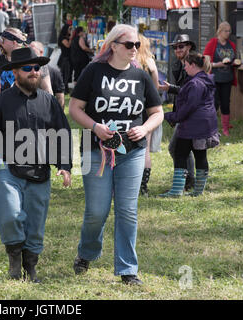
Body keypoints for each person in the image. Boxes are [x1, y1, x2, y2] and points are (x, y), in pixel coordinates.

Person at [68, 24, 163, 285]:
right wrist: (95, 127)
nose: (134, 49)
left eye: (137, 45)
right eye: (129, 45)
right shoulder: (93, 71)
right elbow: (74, 108)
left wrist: (144, 128)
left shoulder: (141, 76)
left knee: (127, 210)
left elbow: (158, 112)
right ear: (113, 45)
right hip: (95, 150)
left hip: (131, 153)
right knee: (97, 211)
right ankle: (86, 253)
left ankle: (127, 269)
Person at [0, 47, 72, 282]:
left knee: (36, 224)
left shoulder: (49, 101)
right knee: (9, 215)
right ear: (16, 72)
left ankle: (30, 267)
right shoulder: (1, 101)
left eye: (36, 68)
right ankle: (14, 261)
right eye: (27, 68)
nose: (33, 72)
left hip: (41, 170)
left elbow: (62, 133)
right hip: (9, 168)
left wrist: (65, 165)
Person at [160, 51, 218, 197]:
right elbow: (189, 95)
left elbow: (188, 107)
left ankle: (176, 191)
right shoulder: (205, 79)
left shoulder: (195, 83)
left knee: (180, 153)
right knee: (200, 155)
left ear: (193, 65)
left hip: (193, 126)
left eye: (186, 65)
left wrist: (167, 116)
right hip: (205, 125)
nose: (184, 68)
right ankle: (198, 191)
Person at [159, 34, 196, 191]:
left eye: (181, 46)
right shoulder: (178, 65)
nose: (178, 50)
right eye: (175, 47)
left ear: (189, 46)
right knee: (184, 149)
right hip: (183, 113)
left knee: (176, 148)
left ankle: (186, 183)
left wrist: (171, 88)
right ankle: (189, 182)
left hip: (192, 113)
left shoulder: (193, 64)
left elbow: (192, 91)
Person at [0, 28, 53, 102]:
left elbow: (48, 90)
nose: (16, 42)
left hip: (28, 106)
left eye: (19, 40)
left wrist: (50, 107)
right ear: (2, 42)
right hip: (3, 107)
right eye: (13, 39)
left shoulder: (34, 60)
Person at [136, 33, 161, 196]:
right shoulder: (149, 62)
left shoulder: (129, 62)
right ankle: (143, 186)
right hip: (148, 108)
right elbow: (156, 87)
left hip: (131, 107)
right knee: (144, 148)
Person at [203, 21, 238, 137]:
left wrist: (235, 64)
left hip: (227, 78)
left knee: (226, 103)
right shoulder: (212, 43)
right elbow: (206, 63)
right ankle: (211, 128)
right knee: (214, 103)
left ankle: (225, 128)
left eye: (229, 31)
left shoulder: (231, 45)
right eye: (226, 31)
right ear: (220, 31)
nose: (228, 33)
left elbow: (233, 59)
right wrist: (217, 64)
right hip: (214, 78)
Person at [30, 40, 65, 108]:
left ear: (41, 52)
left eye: (32, 49)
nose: (30, 52)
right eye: (28, 49)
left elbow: (60, 98)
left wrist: (60, 116)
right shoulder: (24, 71)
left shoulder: (55, 72)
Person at [57, 23, 73, 94]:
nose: (71, 30)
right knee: (65, 75)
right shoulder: (62, 38)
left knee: (67, 74)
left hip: (68, 58)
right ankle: (64, 89)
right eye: (70, 29)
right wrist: (71, 37)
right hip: (64, 58)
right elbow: (68, 45)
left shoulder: (67, 37)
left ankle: (65, 88)